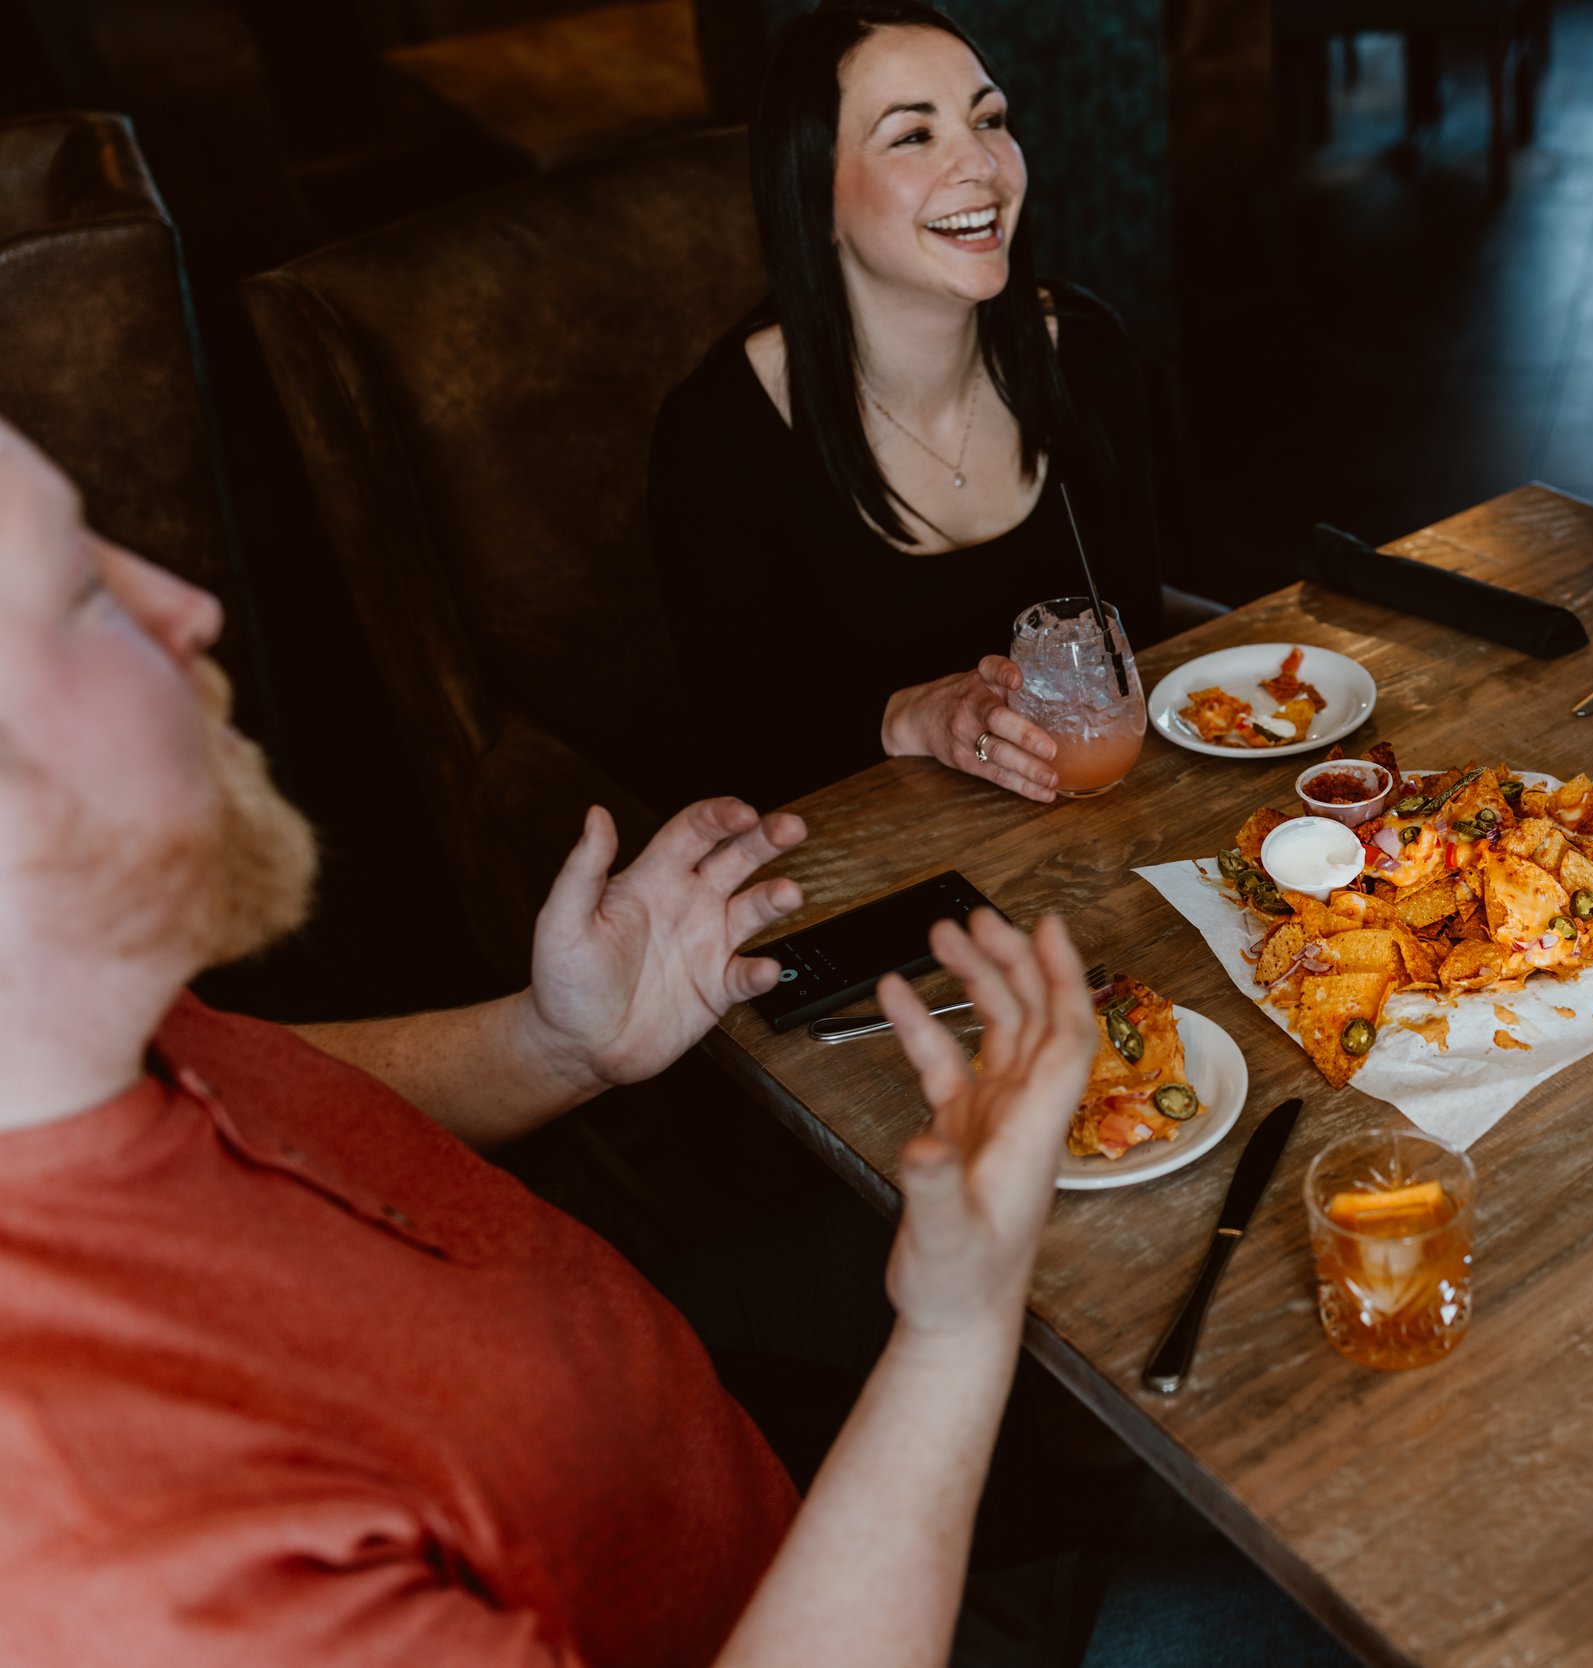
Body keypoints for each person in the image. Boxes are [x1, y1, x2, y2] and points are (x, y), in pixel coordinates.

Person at [0, 413, 1165, 1666]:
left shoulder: (77, 1042)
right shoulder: (124, 1559)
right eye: (82, 593)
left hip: (707, 1427)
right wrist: (958, 1325)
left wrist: (556, 1044)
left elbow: (282, 1088)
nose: (186, 607)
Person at [650, 0, 1179, 813]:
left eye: (989, 119)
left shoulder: (1090, 355)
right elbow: (734, 751)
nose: (984, 165)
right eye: (913, 134)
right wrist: (905, 716)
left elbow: (1138, 635)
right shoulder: (718, 438)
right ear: (813, 191)